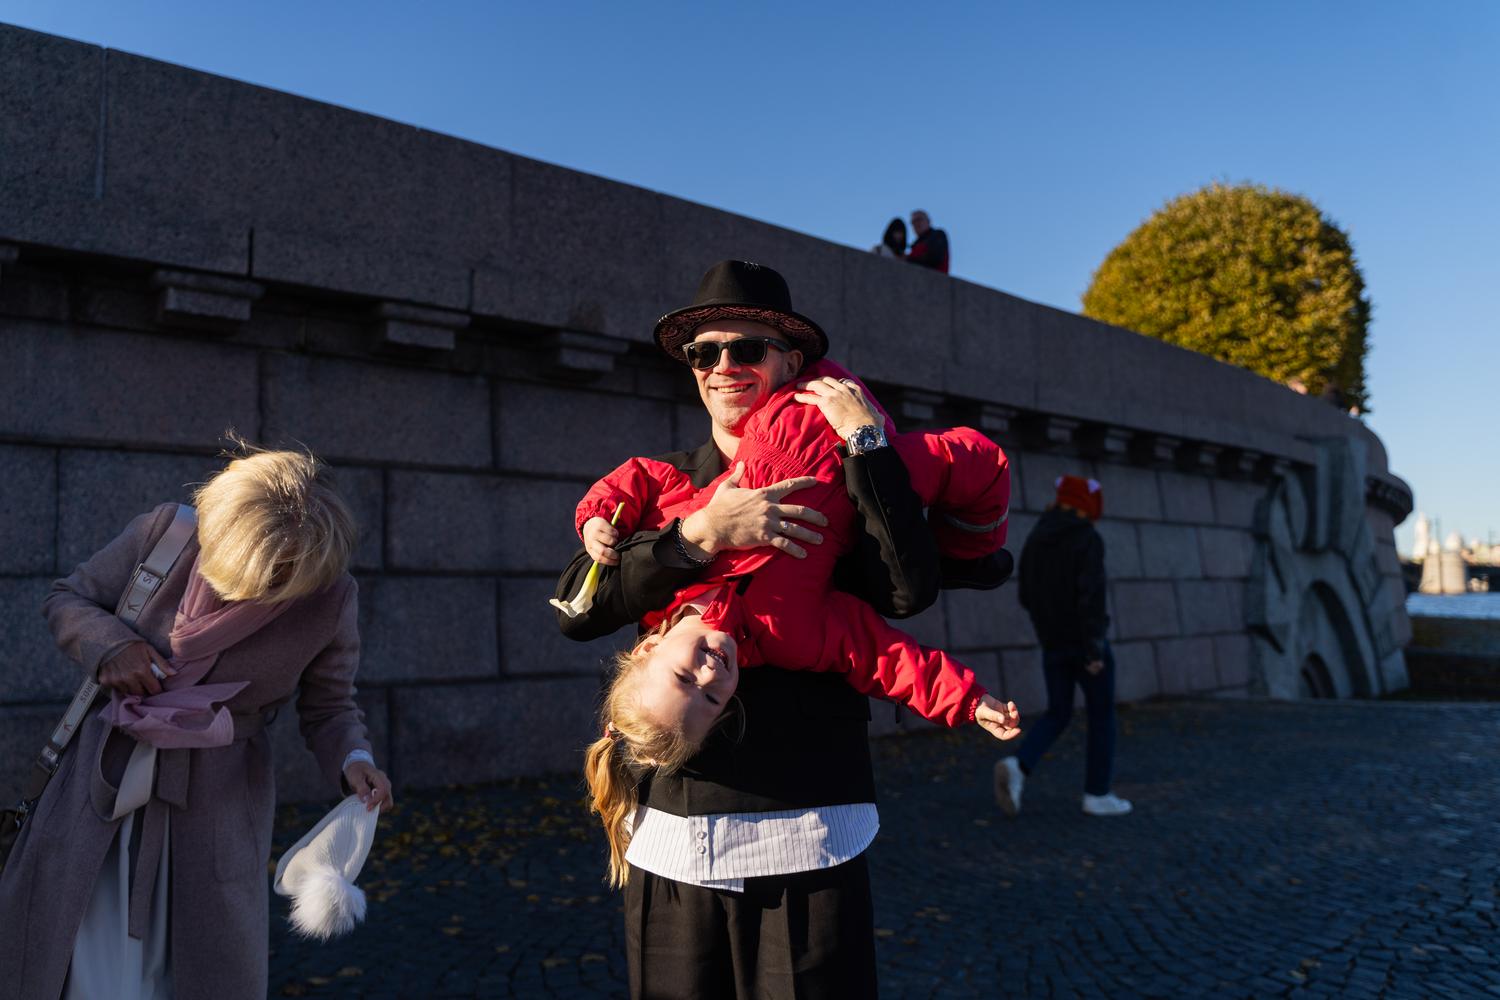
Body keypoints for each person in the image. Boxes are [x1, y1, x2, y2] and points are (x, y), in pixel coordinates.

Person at [554, 259, 1005, 999]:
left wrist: (868, 447)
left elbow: (905, 596)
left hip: (810, 824)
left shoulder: (862, 467)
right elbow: (578, 606)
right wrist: (698, 534)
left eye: (747, 348)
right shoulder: (668, 483)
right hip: (678, 830)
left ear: (792, 363)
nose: (722, 366)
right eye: (703, 352)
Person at [0, 446, 393, 1000]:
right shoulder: (167, 533)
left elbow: (330, 706)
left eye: (287, 574)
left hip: (216, 806)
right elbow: (68, 599)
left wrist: (355, 761)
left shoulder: (329, 594)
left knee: (202, 962)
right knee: (77, 959)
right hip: (101, 787)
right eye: (264, 570)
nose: (272, 584)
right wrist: (111, 647)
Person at [996, 475, 1133, 818]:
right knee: (1101, 716)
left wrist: (1049, 632)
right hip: (1085, 646)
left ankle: (1019, 765)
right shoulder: (1087, 538)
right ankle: (1097, 793)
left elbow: (1026, 595)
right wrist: (1094, 650)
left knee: (1058, 712)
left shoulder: (1038, 536)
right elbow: (1091, 597)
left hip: (1052, 644)